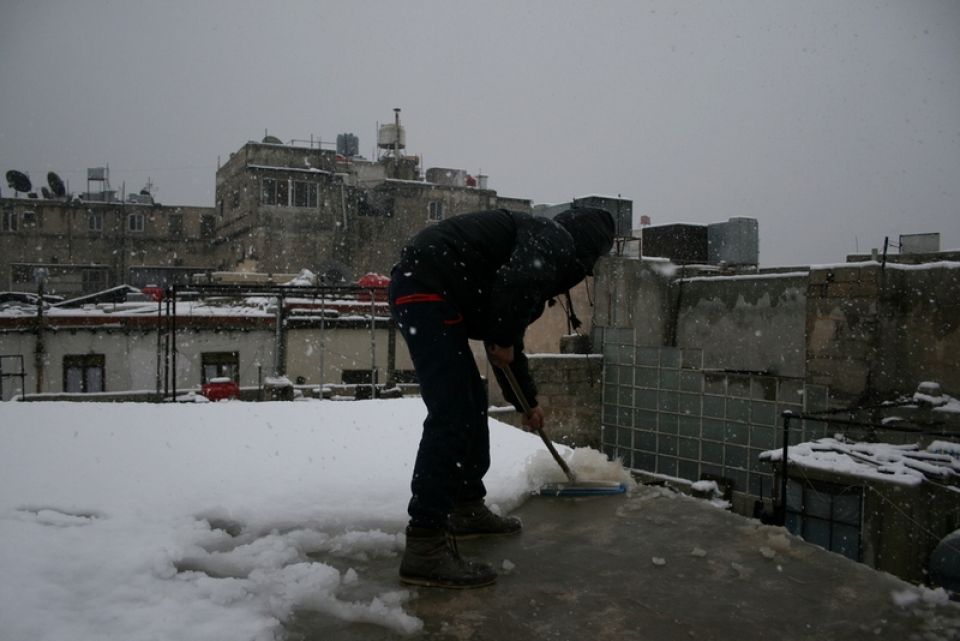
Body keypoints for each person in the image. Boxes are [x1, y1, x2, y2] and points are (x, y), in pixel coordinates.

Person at [388, 206, 616, 588]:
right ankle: (425, 545)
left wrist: (526, 402)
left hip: (429, 289)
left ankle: (466, 507)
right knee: (453, 412)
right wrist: (505, 339)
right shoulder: (553, 240)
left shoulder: (535, 243)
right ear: (588, 251)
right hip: (427, 289)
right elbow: (512, 300)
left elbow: (505, 337)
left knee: (471, 402)